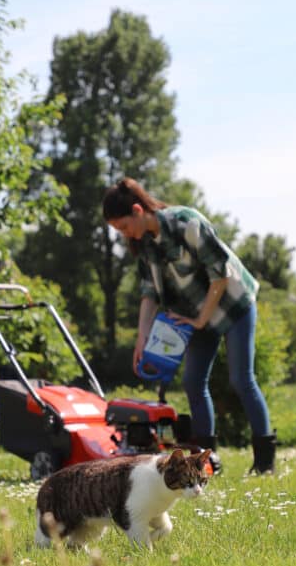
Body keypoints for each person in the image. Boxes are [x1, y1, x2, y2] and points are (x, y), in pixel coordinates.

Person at [102, 177, 278, 474]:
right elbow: (149, 293)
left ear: (137, 210)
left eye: (123, 227)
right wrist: (141, 337)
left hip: (233, 305)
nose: (124, 235)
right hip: (196, 314)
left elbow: (220, 274)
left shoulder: (187, 223)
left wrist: (200, 319)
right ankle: (205, 462)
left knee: (241, 379)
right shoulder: (144, 246)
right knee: (193, 383)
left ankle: (264, 463)